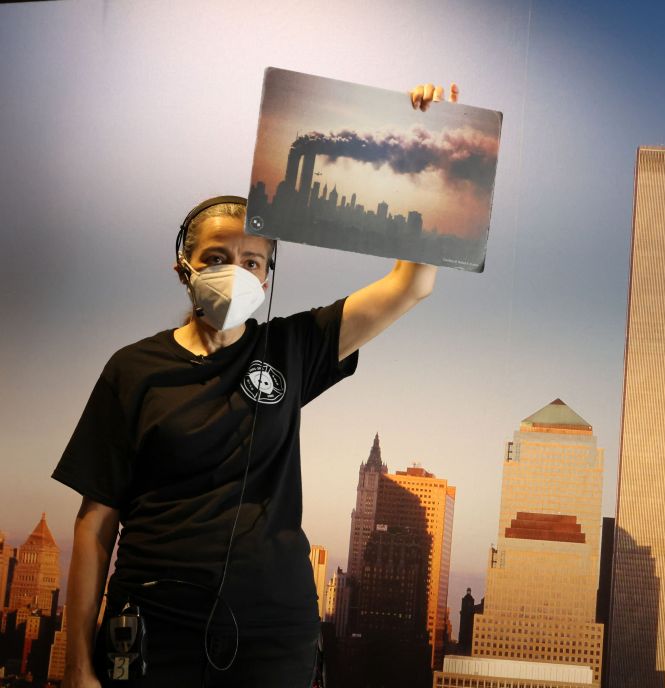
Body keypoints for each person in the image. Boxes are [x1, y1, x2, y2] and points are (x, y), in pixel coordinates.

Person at [56, 83, 458, 688]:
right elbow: (94, 525)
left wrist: (424, 138)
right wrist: (78, 665)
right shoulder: (132, 369)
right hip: (152, 628)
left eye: (253, 262)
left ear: (269, 276)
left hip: (275, 633)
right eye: (218, 257)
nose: (236, 272)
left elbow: (411, 286)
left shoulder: (294, 347)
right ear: (183, 268)